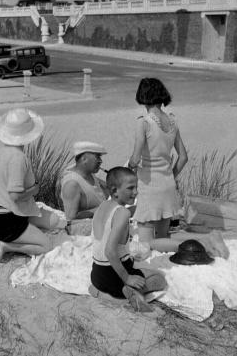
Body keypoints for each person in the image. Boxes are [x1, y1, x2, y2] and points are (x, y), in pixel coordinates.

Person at [0, 108, 62, 262]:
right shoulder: (18, 158)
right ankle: (4, 246)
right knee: (46, 246)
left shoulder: (1, 151)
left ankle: (18, 234)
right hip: (7, 222)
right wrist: (34, 189)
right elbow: (14, 196)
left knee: (55, 221)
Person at [90, 167, 166, 312]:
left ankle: (98, 292)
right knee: (159, 279)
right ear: (114, 191)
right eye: (130, 188)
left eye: (136, 187)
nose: (136, 192)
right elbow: (110, 251)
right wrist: (127, 278)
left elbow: (114, 219)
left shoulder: (103, 206)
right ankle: (125, 295)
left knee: (129, 264)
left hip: (97, 275)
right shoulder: (122, 213)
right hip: (116, 276)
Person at [127, 77, 188, 251]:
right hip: (168, 185)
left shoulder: (144, 122)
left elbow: (135, 159)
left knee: (146, 242)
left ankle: (193, 246)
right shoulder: (172, 121)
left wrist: (128, 167)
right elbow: (183, 157)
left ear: (142, 96)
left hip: (149, 184)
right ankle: (189, 247)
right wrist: (170, 176)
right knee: (162, 238)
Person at [60, 141, 109, 235]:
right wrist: (102, 210)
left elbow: (110, 188)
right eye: (97, 157)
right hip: (78, 228)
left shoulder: (89, 174)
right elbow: (71, 218)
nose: (100, 161)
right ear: (84, 159)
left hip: (97, 221)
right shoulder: (72, 184)